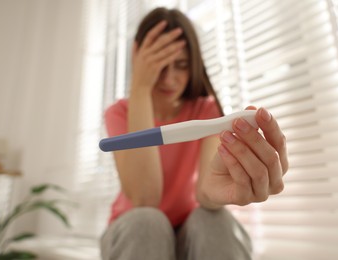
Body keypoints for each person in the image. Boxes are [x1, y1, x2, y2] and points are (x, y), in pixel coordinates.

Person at [100, 7, 288, 260]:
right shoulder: (119, 112)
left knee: (213, 220)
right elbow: (146, 198)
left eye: (181, 65)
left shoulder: (206, 109)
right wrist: (141, 87)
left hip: (189, 232)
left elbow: (205, 194)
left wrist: (221, 191)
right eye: (159, 67)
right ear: (138, 56)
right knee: (147, 221)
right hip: (133, 231)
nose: (170, 79)